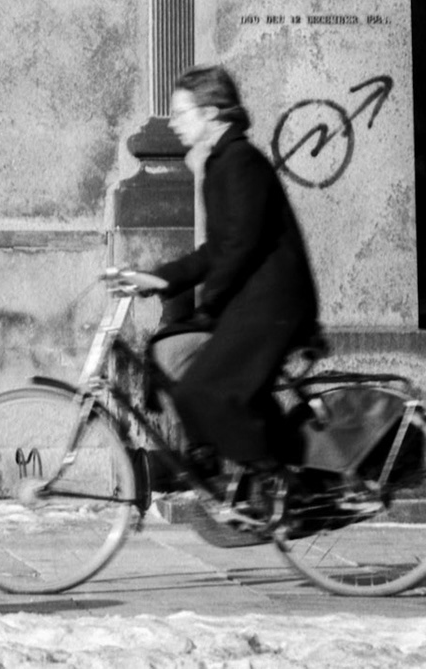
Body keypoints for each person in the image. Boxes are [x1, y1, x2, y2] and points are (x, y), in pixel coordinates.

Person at [113, 64, 322, 522]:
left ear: (211, 113)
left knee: (201, 390)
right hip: (256, 304)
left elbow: (241, 245)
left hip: (272, 307)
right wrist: (163, 278)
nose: (172, 122)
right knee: (178, 363)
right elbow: (216, 249)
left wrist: (209, 306)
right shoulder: (220, 164)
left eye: (181, 112)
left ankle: (278, 485)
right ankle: (221, 462)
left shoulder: (241, 163)